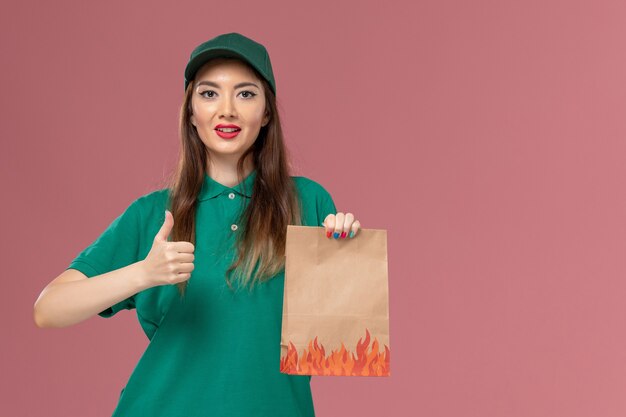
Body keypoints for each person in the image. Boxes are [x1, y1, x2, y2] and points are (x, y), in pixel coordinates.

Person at [33, 32, 362, 416]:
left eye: (245, 94)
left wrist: (346, 253)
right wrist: (142, 273)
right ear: (191, 112)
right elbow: (48, 309)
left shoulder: (308, 202)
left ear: (267, 112)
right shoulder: (155, 215)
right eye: (209, 94)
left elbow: (334, 340)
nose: (227, 110)